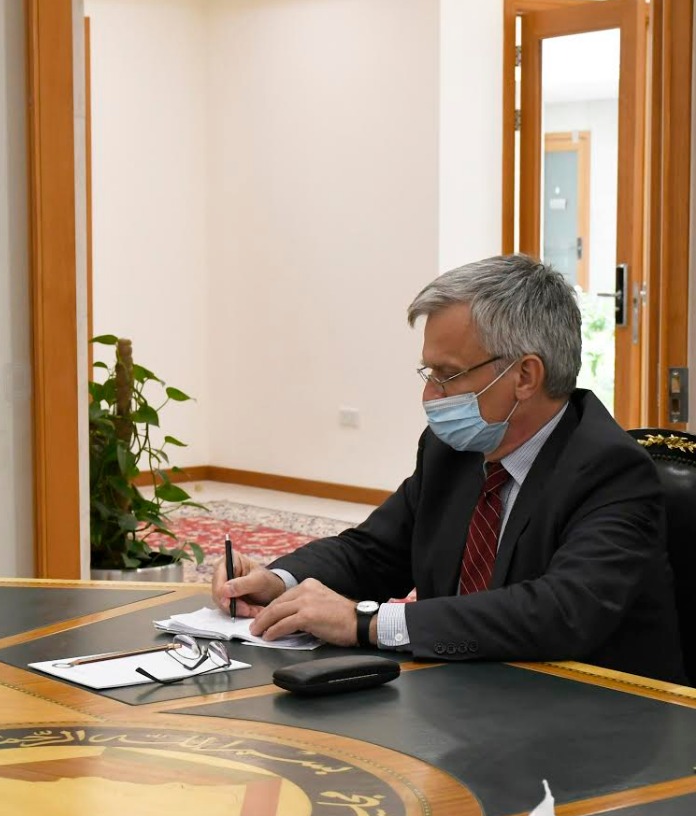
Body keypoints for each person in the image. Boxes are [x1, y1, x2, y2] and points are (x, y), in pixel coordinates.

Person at [213, 255, 687, 684]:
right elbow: (374, 552)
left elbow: (561, 610)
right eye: (429, 374)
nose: (430, 397)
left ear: (525, 376)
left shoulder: (611, 469)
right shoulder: (452, 450)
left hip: (596, 713)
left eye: (448, 375)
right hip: (465, 693)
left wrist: (367, 623)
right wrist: (279, 580)